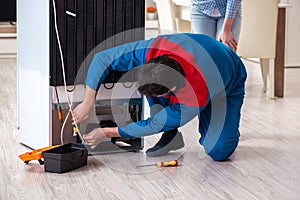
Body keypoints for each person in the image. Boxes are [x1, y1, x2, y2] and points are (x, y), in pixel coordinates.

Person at [73, 33, 247, 161]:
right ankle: (172, 136)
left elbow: (156, 123)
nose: (151, 98)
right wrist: (88, 103)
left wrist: (106, 132)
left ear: (171, 89)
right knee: (160, 100)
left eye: (158, 95)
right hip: (203, 55)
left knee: (219, 150)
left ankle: (228, 126)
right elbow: (102, 59)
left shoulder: (194, 95)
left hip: (228, 81)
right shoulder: (151, 50)